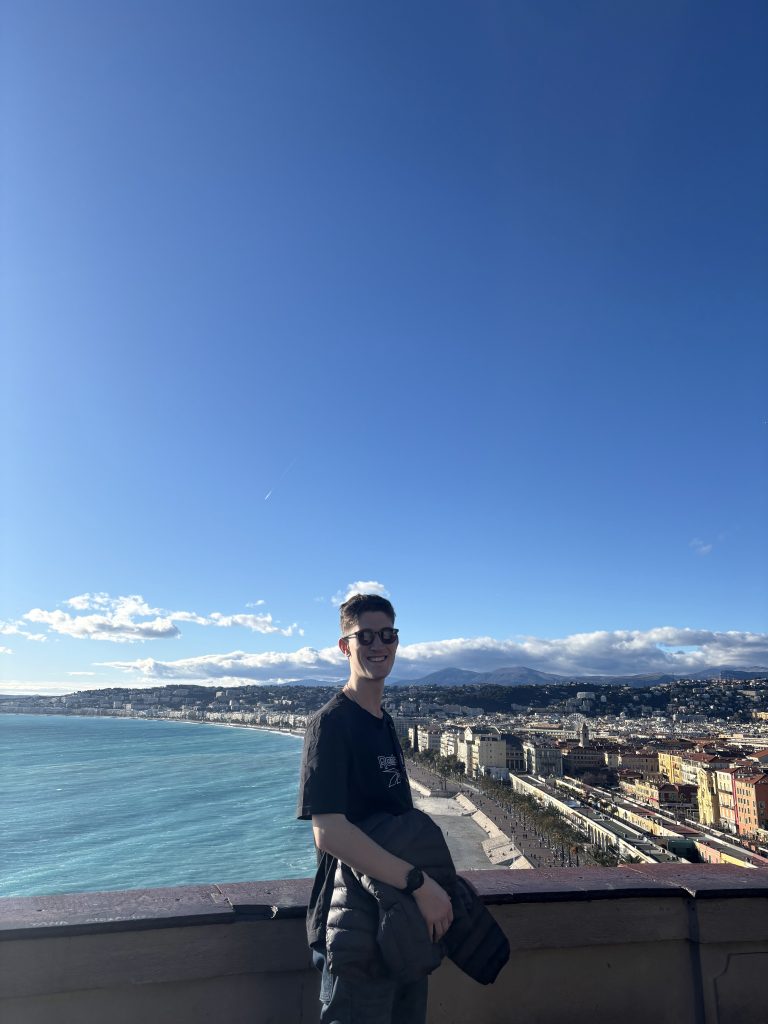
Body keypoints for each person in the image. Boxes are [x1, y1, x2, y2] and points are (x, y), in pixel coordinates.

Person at [297, 593, 453, 1024]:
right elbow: (328, 832)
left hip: (400, 927)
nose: (378, 644)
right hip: (352, 928)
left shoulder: (385, 724)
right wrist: (419, 884)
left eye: (387, 634)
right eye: (364, 636)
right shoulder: (330, 724)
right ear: (344, 646)